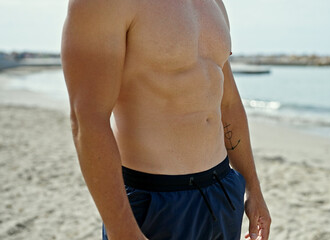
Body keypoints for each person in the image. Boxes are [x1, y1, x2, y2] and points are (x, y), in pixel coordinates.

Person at [61, 0, 271, 239]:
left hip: (223, 189)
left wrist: (253, 189)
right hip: (156, 201)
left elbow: (228, 102)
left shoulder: (214, 3)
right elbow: (87, 120)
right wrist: (122, 230)